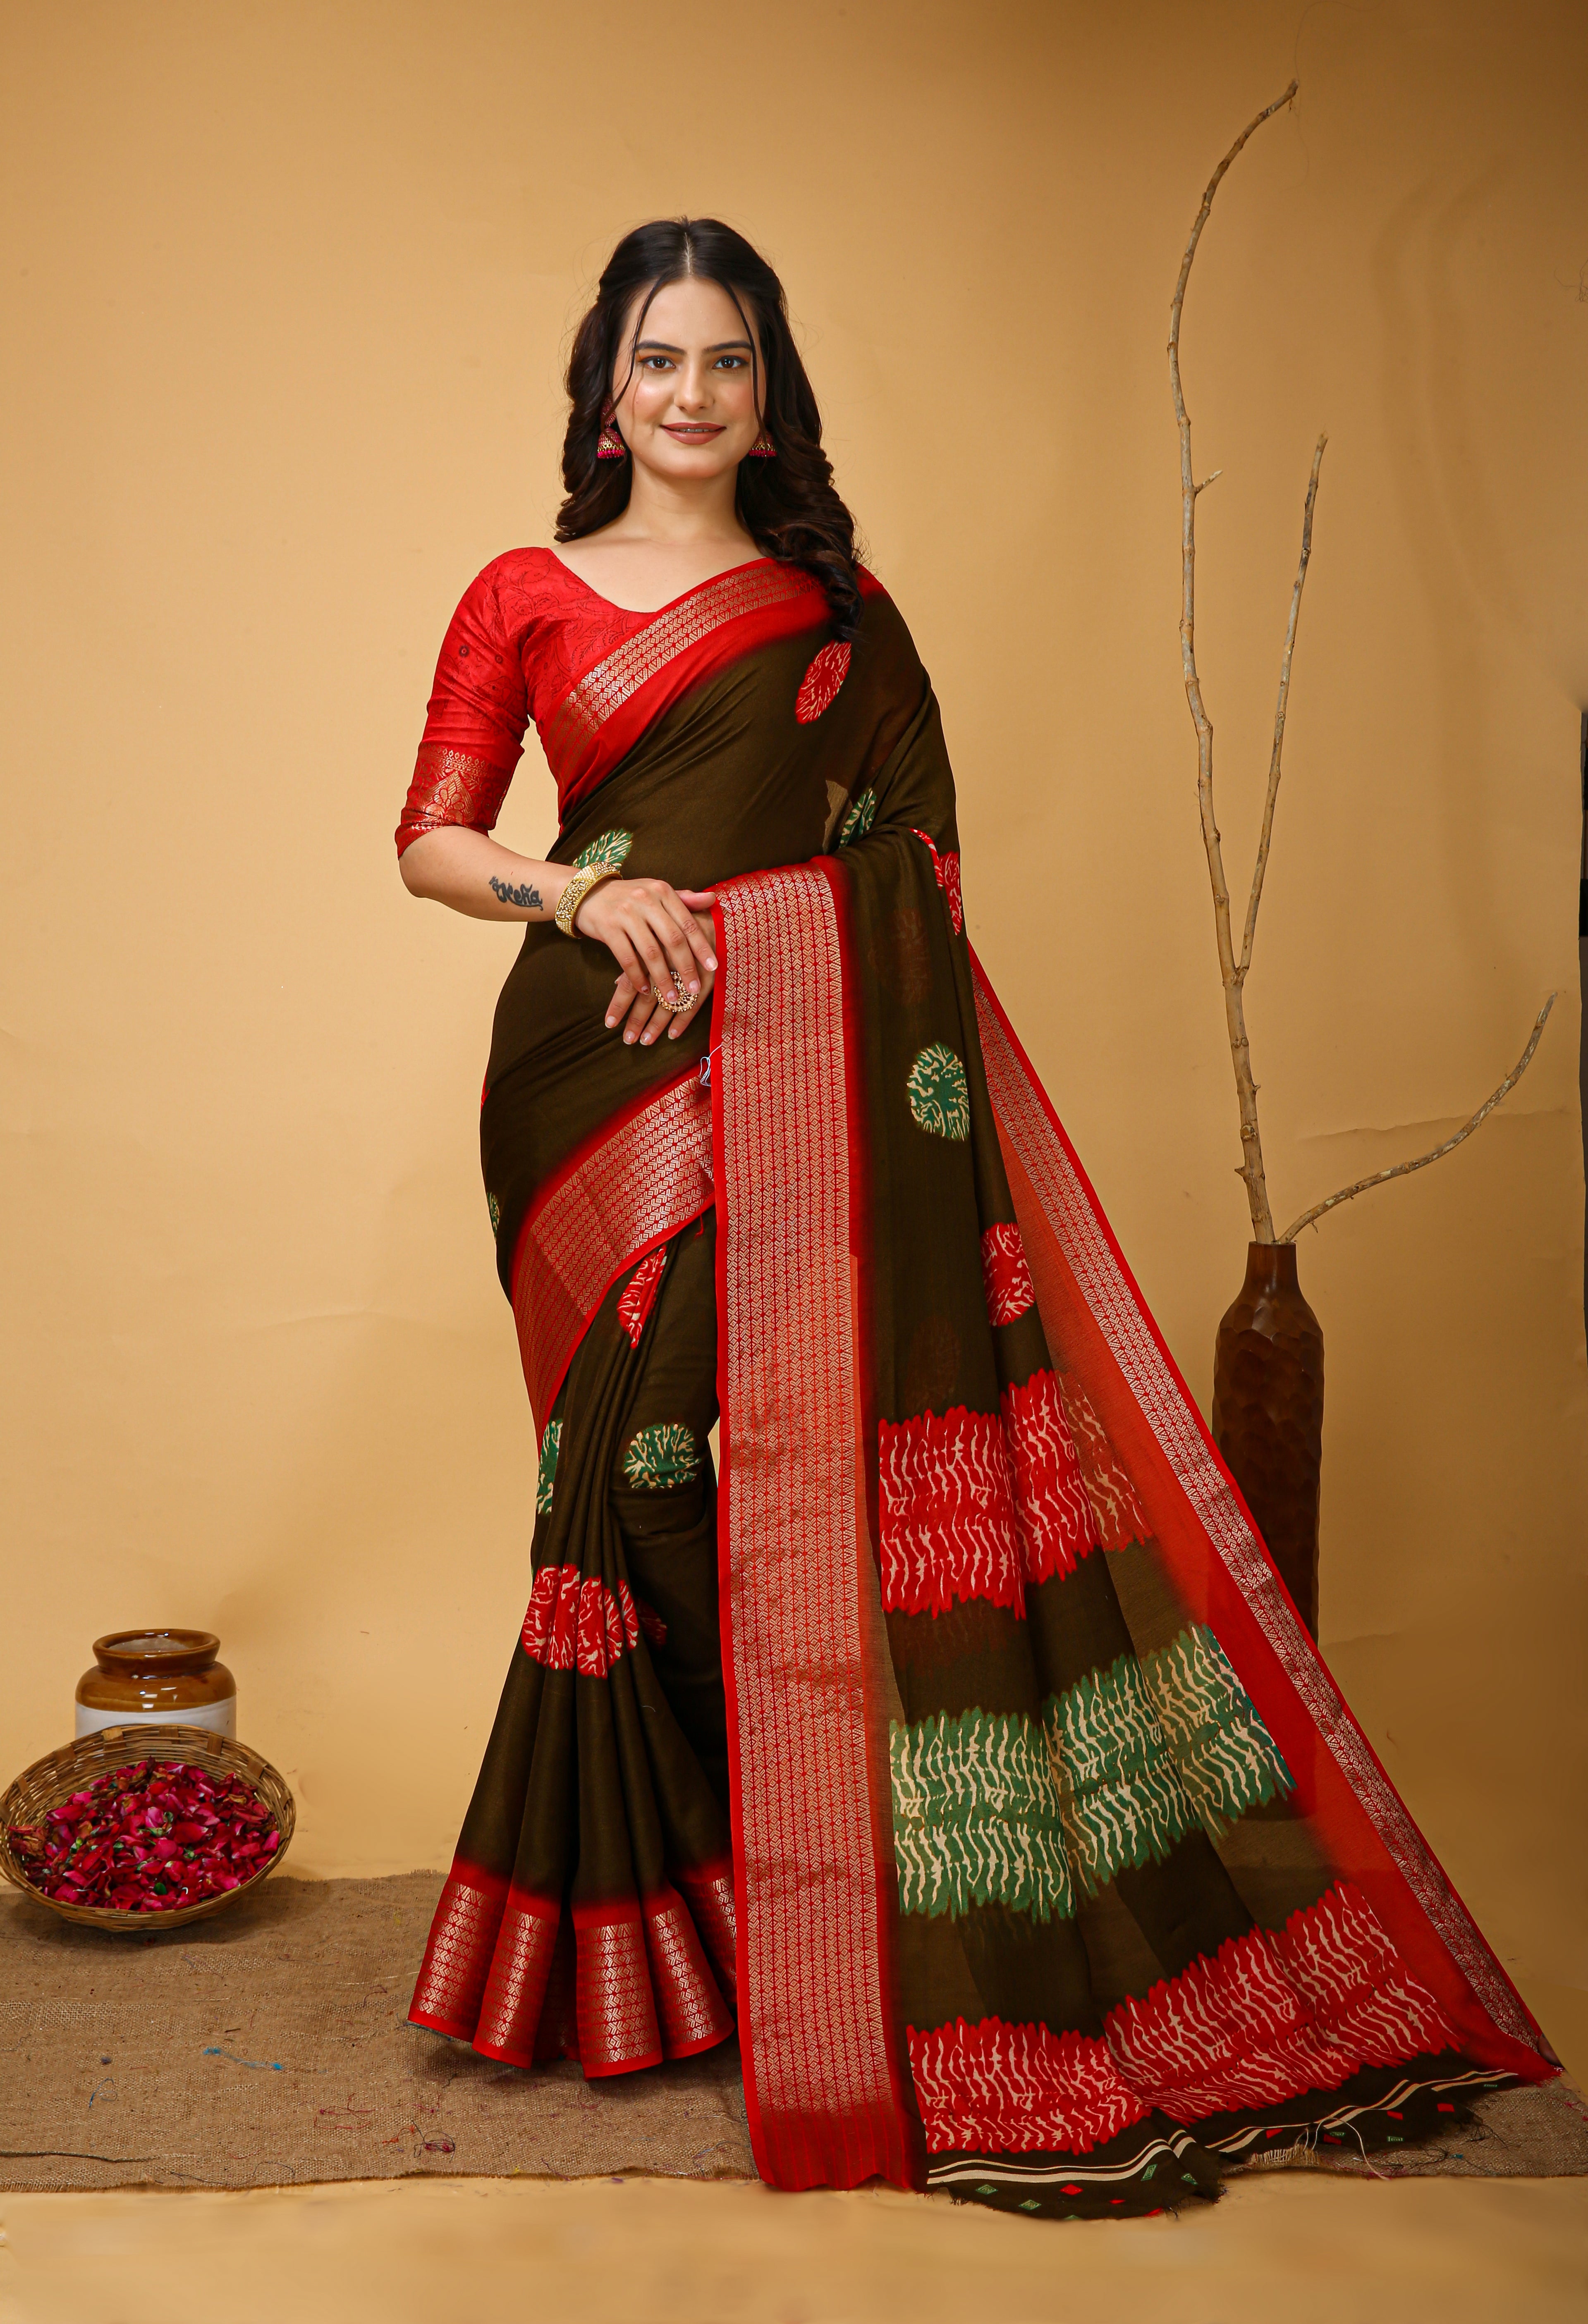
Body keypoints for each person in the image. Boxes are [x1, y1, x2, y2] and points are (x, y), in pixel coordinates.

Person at [395, 218, 1555, 2217]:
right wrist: (585, 894)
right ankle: (714, 1918)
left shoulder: (841, 616)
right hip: (584, 1078)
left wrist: (759, 934)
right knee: (622, 1479)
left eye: (729, 360)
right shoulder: (525, 591)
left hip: (788, 1066)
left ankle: (802, 1902)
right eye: (660, 358)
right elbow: (429, 838)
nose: (692, 393)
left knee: (725, 1471)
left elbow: (920, 863)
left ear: (772, 393)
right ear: (605, 390)